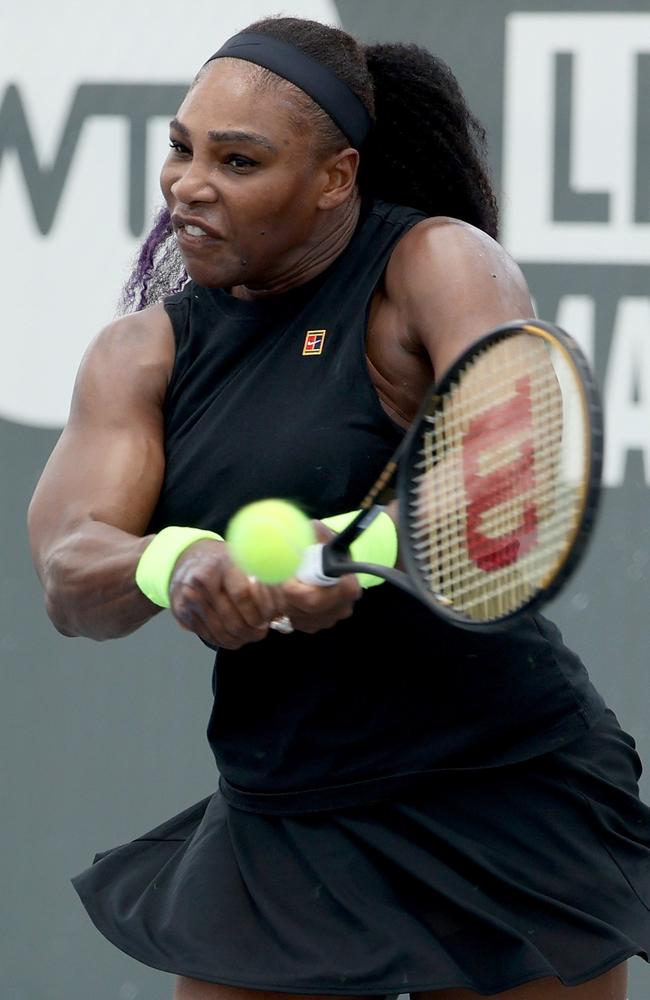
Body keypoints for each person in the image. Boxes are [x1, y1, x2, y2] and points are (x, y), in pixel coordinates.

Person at [27, 16, 650, 1000]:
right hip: (288, 803)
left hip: (498, 786)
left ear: (334, 175)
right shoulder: (140, 352)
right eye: (182, 148)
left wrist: (358, 548)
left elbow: (507, 468)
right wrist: (182, 564)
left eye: (239, 160)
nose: (190, 183)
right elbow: (71, 568)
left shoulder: (436, 264)